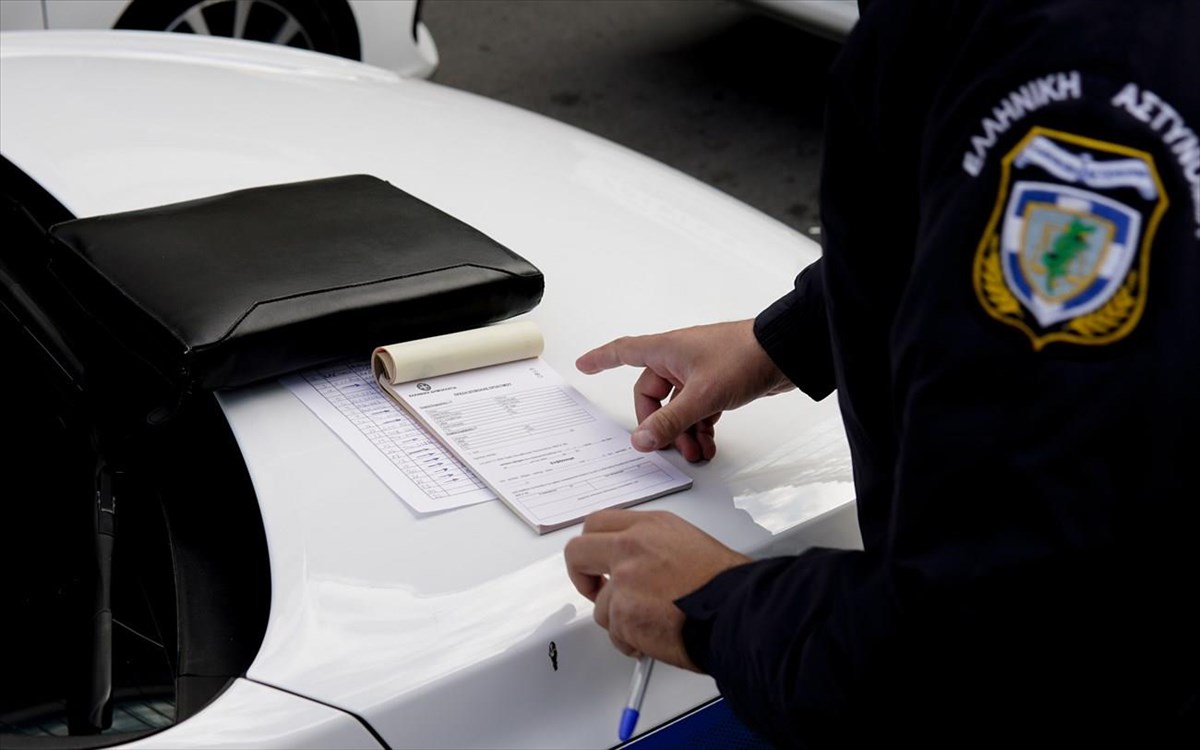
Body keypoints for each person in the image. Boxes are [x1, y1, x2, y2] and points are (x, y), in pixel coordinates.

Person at [564, 0, 1199, 745]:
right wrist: (793, 337)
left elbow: (1006, 642)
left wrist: (713, 607)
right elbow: (967, 208)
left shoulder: (1079, 58)